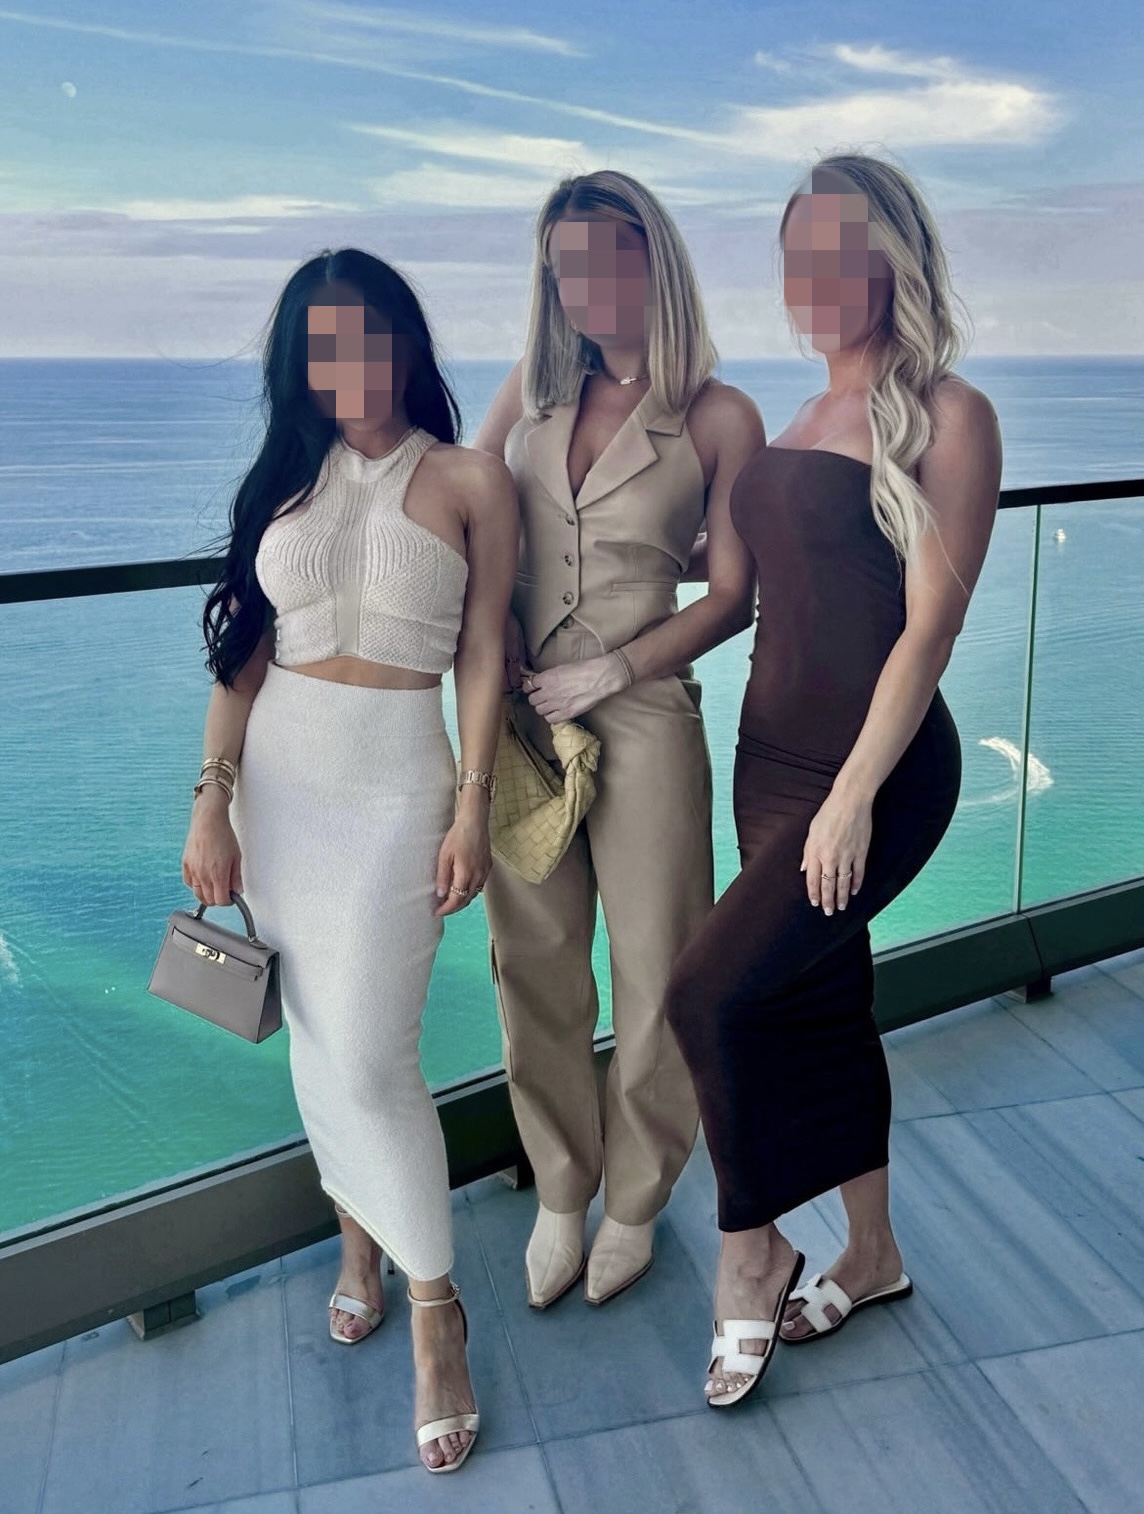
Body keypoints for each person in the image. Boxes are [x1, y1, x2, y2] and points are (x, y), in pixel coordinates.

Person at [664, 154, 1002, 1406]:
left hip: (878, 770)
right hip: (767, 761)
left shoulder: (948, 415)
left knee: (704, 997)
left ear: (892, 259)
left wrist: (855, 792)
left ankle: (750, 1251)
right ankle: (874, 1253)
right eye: (797, 256)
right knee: (819, 1002)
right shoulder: (789, 420)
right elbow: (737, 584)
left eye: (841, 253)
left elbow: (928, 631)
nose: (817, 280)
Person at [181, 249, 517, 1471]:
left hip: (394, 790)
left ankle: (437, 1308)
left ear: (405, 344)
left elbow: (481, 650)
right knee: (320, 1041)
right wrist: (210, 803)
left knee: (375, 1053)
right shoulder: (281, 479)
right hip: (278, 791)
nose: (349, 366)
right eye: (323, 346)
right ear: (300, 364)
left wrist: (470, 801)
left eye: (367, 339)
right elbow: (240, 663)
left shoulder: (470, 479)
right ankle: (357, 1242)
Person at [474, 170, 765, 1308]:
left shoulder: (716, 414)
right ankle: (560, 1186)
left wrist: (615, 664)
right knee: (531, 960)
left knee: (657, 968)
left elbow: (730, 592)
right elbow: (463, 504)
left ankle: (636, 1199)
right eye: (564, 268)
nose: (588, 287)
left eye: (608, 258)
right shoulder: (529, 397)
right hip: (522, 717)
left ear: (655, 260)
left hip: (642, 710)